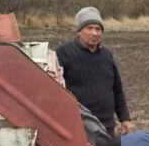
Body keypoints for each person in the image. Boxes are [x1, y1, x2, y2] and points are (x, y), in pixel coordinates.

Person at [57, 7, 134, 136]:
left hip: (107, 126)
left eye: (98, 29)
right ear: (79, 31)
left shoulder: (107, 55)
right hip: (79, 128)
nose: (94, 33)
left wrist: (125, 119)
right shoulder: (63, 54)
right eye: (89, 28)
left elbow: (117, 90)